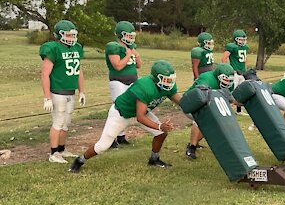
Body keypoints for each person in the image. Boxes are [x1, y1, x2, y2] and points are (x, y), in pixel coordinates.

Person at [69, 60, 181, 173]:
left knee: (161, 134)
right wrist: (160, 126)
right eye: (166, 80)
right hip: (121, 114)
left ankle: (154, 159)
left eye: (171, 79)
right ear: (156, 78)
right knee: (103, 146)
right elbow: (140, 117)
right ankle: (79, 160)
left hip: (140, 113)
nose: (169, 83)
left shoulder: (168, 87)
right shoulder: (144, 86)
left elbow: (182, 102)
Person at [40, 20, 85, 164]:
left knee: (66, 124)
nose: (71, 38)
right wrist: (47, 97)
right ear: (59, 35)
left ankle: (61, 149)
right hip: (57, 92)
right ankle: (53, 153)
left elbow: (78, 71)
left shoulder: (76, 48)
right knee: (58, 123)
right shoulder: (53, 49)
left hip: (70, 92)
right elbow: (45, 74)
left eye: (73, 35)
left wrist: (82, 91)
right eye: (68, 35)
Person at [185, 63, 235, 160]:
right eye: (225, 79)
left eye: (229, 80)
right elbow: (199, 97)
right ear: (218, 76)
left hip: (207, 103)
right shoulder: (206, 79)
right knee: (201, 121)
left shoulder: (228, 84)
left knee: (211, 124)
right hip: (191, 102)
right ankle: (191, 148)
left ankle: (195, 143)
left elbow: (229, 98)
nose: (227, 82)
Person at [105, 21, 142, 147]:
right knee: (118, 109)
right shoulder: (113, 46)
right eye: (128, 35)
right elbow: (118, 66)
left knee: (127, 109)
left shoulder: (131, 47)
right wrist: (128, 54)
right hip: (118, 81)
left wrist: (136, 56)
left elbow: (139, 66)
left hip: (132, 80)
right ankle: (111, 138)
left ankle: (121, 136)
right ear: (120, 34)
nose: (130, 38)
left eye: (132, 36)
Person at [221, 29, 249, 115]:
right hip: (235, 73)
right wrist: (227, 70)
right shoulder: (232, 47)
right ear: (235, 39)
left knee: (241, 92)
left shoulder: (245, 47)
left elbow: (245, 59)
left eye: (243, 39)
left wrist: (245, 69)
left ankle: (239, 110)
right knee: (231, 92)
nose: (242, 41)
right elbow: (223, 58)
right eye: (240, 39)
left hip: (242, 72)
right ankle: (226, 109)